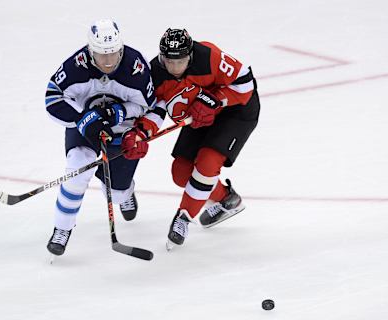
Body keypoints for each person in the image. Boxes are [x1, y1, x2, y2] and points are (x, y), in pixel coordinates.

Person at [124, 28, 260, 249]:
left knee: (207, 163)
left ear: (191, 55)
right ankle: (227, 199)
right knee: (181, 173)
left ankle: (184, 217)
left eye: (181, 61)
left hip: (235, 111)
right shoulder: (155, 74)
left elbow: (245, 83)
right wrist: (140, 133)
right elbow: (155, 109)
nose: (175, 68)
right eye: (169, 61)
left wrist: (216, 99)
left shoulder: (209, 57)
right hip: (198, 114)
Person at [44, 19, 156, 256]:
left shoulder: (135, 68)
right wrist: (82, 120)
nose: (107, 61)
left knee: (115, 193)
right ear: (89, 50)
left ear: (121, 48)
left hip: (122, 129)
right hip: (83, 124)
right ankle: (62, 229)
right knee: (76, 168)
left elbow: (148, 106)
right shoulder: (76, 66)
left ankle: (124, 192)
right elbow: (52, 98)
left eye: (113, 54)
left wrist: (121, 112)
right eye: (101, 55)